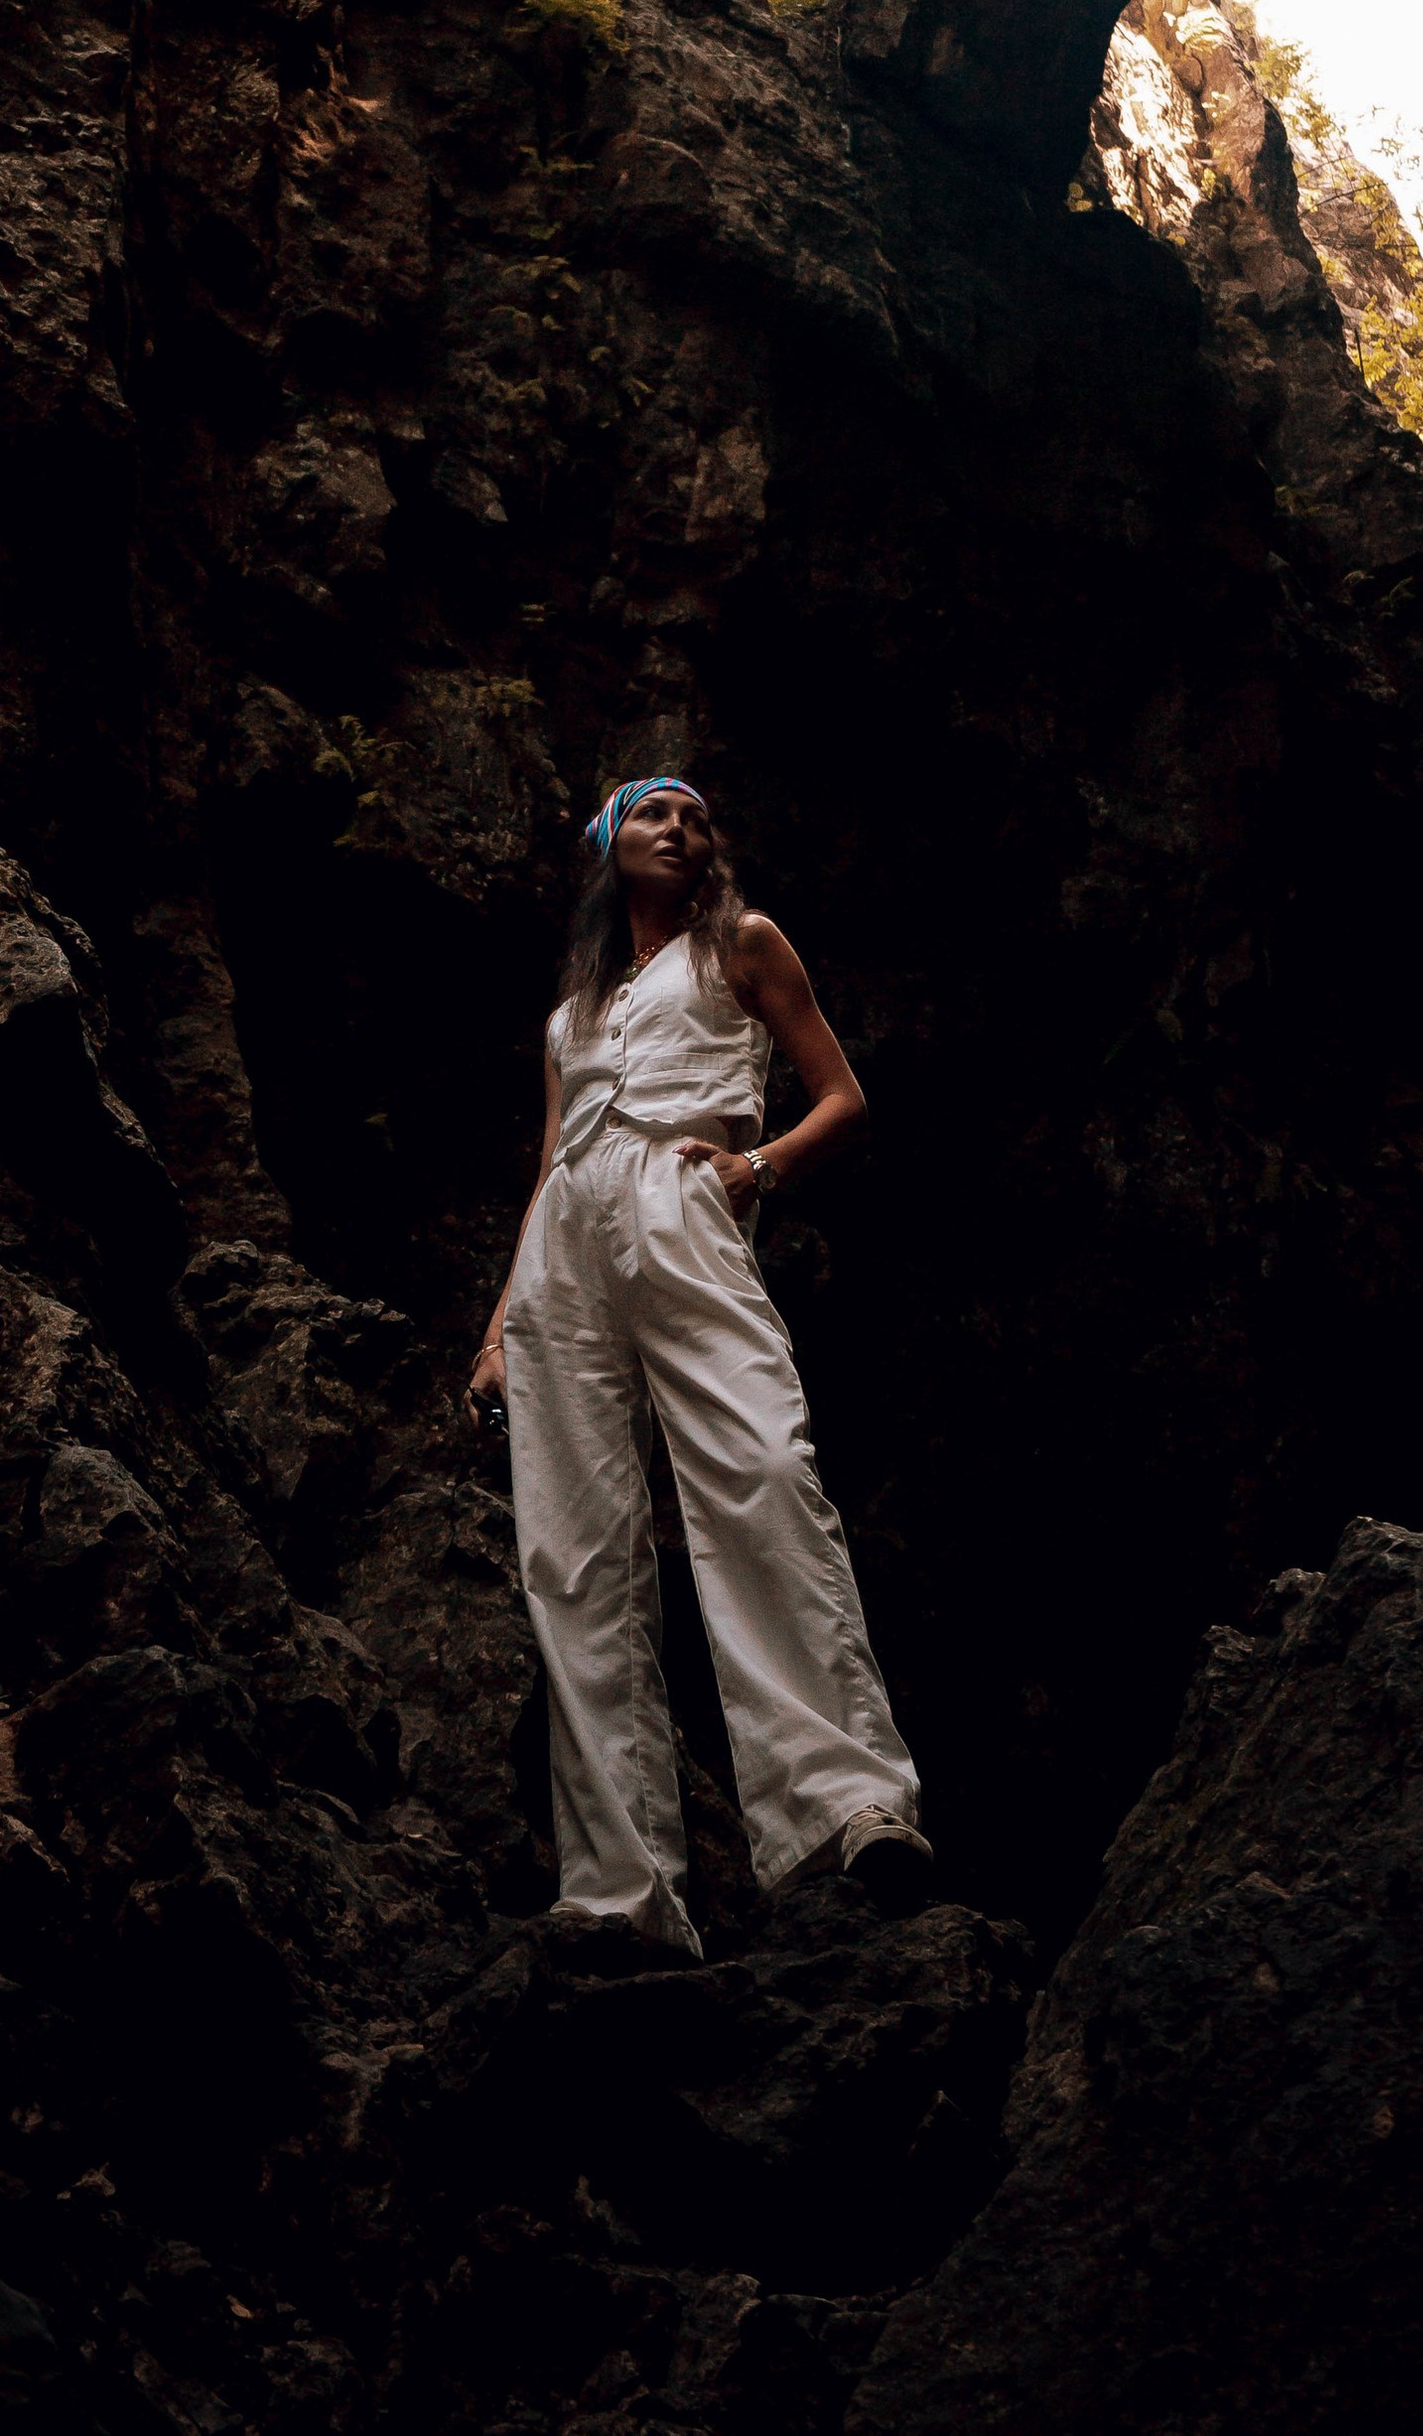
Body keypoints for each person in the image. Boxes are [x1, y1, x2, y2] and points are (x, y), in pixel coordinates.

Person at [465, 772, 932, 1958]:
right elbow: (548, 1167)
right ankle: (621, 1887)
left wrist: (755, 1167)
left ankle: (845, 1805)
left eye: (697, 817)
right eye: (654, 811)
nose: (681, 828)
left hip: (683, 1200)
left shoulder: (743, 946)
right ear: (607, 841)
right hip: (564, 1245)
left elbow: (843, 1096)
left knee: (764, 1470)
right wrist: (497, 1324)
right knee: (569, 1547)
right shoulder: (573, 1011)